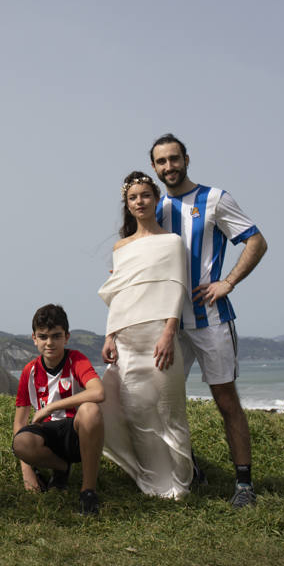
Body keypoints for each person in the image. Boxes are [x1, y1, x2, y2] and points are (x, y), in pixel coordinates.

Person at [150, 133, 268, 508]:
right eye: (161, 162)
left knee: (225, 399)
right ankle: (189, 469)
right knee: (162, 401)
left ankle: (244, 484)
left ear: (186, 159)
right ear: (154, 167)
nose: (168, 166)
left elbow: (255, 241)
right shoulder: (154, 207)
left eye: (174, 159)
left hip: (211, 320)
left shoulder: (215, 199)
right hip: (169, 324)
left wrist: (227, 283)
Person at [97, 172, 193, 499]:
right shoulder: (120, 248)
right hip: (126, 337)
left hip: (159, 335)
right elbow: (121, 293)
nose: (140, 201)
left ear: (156, 199)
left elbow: (176, 288)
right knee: (138, 415)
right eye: (133, 197)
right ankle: (153, 484)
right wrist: (110, 336)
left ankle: (180, 485)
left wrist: (169, 332)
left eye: (145, 195)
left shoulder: (172, 242)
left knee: (169, 411)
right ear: (127, 204)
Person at [12, 304, 104, 515]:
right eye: (43, 336)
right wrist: (27, 472)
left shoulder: (76, 360)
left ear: (66, 337)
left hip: (75, 433)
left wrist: (50, 407)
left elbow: (98, 392)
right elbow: (20, 422)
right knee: (21, 442)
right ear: (34, 338)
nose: (50, 343)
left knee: (91, 410)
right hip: (48, 435)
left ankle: (88, 491)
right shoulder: (30, 371)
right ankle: (61, 468)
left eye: (56, 336)